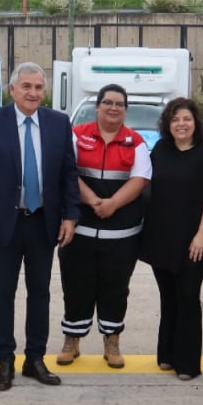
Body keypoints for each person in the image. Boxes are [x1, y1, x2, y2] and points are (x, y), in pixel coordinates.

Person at [0, 62, 80, 391]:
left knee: (40, 293)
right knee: (3, 294)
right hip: (3, 225)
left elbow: (68, 174)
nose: (33, 93)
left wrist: (70, 216)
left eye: (38, 88)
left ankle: (35, 359)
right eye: (27, 86)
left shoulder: (58, 123)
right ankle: (5, 360)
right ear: (12, 90)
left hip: (43, 223)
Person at [56, 84, 150, 369]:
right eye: (107, 102)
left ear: (125, 110)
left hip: (121, 234)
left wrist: (112, 204)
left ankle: (112, 340)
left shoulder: (136, 142)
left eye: (119, 104)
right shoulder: (76, 135)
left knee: (116, 288)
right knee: (76, 286)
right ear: (97, 107)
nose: (113, 108)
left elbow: (139, 180)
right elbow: (67, 172)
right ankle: (72, 340)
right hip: (80, 230)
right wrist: (94, 199)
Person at [140, 98, 203, 380]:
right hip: (161, 238)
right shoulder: (160, 150)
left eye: (186, 119)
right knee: (168, 297)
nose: (181, 124)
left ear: (196, 122)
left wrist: (202, 235)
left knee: (187, 297)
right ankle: (166, 354)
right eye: (175, 119)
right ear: (168, 123)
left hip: (194, 241)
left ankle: (187, 364)